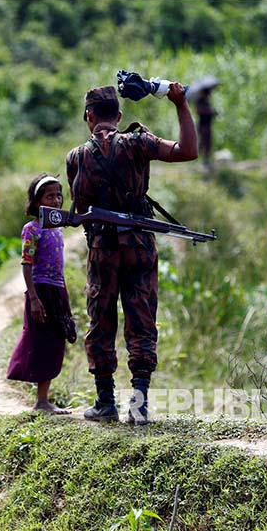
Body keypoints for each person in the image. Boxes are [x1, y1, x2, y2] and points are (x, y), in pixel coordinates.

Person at [66, 83, 197, 425]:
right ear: (120, 115)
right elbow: (188, 151)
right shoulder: (138, 142)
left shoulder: (76, 157)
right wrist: (180, 104)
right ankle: (139, 405)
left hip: (102, 250)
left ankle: (105, 402)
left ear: (88, 116)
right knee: (141, 320)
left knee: (101, 319)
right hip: (140, 247)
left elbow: (79, 207)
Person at [7, 173, 77, 415]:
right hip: (41, 290)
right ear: (37, 202)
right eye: (50, 196)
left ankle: (43, 400)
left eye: (59, 195)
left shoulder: (57, 228)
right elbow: (26, 264)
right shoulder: (31, 229)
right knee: (41, 341)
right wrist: (34, 298)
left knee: (56, 342)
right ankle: (42, 400)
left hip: (58, 289)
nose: (56, 200)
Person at [195, 87, 216, 167]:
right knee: (203, 142)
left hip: (207, 124)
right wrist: (209, 111)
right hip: (203, 125)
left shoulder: (206, 101)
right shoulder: (200, 100)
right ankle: (200, 159)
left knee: (207, 143)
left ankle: (205, 159)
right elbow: (199, 110)